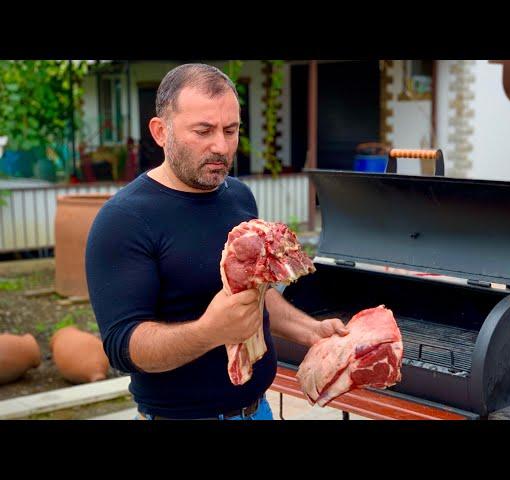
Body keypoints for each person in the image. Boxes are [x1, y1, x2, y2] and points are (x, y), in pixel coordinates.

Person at [85, 64, 347, 420]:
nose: (221, 146)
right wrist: (209, 331)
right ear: (161, 132)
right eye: (204, 130)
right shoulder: (124, 220)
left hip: (258, 410)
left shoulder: (239, 197)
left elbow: (255, 293)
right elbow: (122, 345)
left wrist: (311, 330)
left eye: (231, 129)